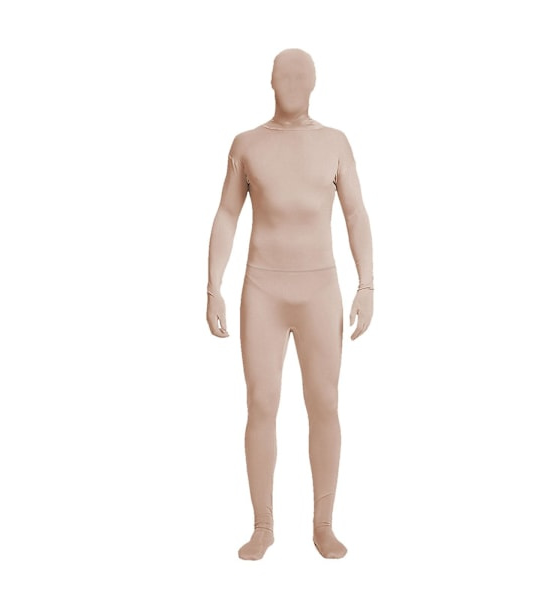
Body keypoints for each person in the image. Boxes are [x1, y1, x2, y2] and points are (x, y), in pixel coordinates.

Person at [206, 48, 374, 560]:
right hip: (263, 289)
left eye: (303, 74)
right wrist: (213, 286)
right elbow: (227, 213)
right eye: (286, 74)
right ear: (271, 81)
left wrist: (367, 284)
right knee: (261, 402)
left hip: (319, 288)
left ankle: (324, 525)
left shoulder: (335, 142)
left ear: (315, 82)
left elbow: (356, 214)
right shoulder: (247, 144)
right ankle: (263, 526)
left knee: (324, 402)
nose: (295, 81)